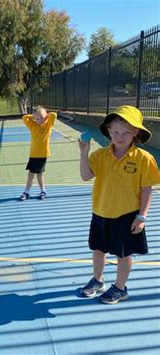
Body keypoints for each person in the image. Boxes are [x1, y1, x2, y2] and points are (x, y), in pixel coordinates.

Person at [78, 105, 160, 304]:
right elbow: (85, 176)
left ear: (135, 133)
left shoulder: (144, 159)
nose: (120, 136)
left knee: (123, 254)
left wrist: (142, 216)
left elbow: (147, 189)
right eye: (115, 131)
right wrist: (84, 152)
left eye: (126, 132)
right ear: (108, 131)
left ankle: (120, 288)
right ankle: (97, 280)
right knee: (98, 250)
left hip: (127, 215)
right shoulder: (100, 156)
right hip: (100, 212)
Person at [19, 106, 57, 200]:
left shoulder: (48, 125)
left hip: (42, 154)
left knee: (33, 174)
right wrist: (34, 116)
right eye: (37, 119)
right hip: (33, 154)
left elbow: (54, 115)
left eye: (41, 118)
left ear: (46, 116)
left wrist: (45, 116)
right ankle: (41, 191)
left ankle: (28, 192)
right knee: (35, 174)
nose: (40, 120)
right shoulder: (33, 125)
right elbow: (24, 118)